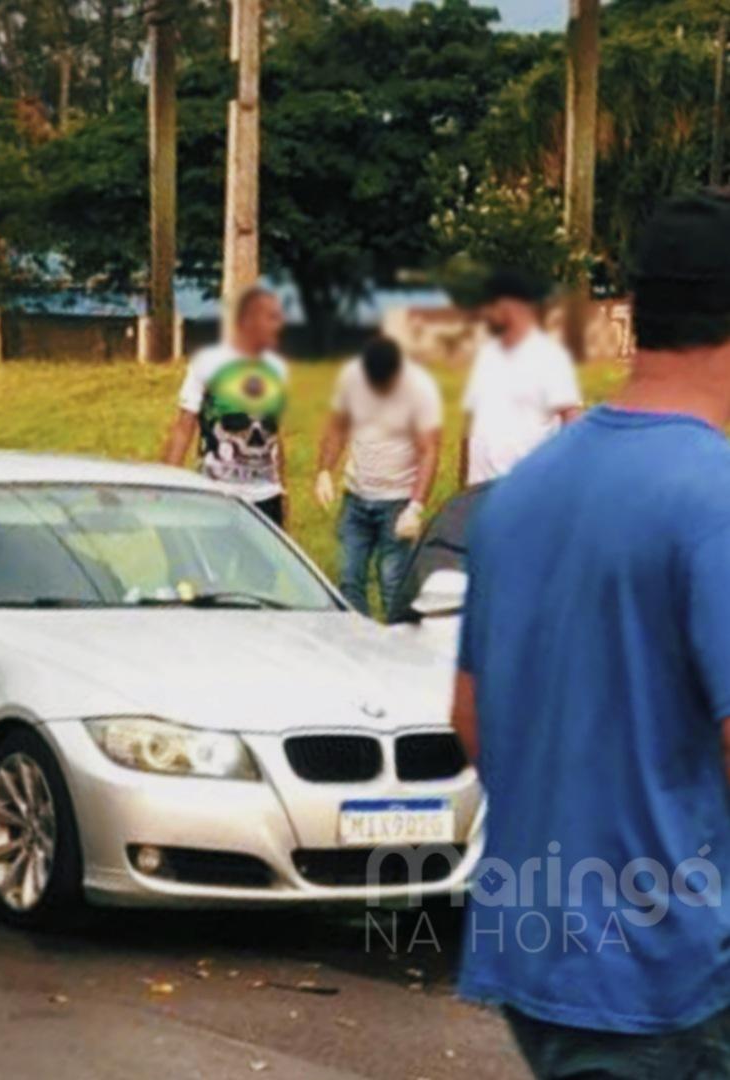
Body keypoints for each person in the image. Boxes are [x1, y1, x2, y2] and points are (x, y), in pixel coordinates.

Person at [452, 192, 730, 1077]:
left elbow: (470, 721)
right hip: (679, 980)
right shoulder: (714, 497)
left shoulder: (520, 493)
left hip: (543, 959)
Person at [313, 336, 442, 618]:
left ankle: (398, 649)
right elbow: (337, 428)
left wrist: (416, 507)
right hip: (355, 497)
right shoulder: (351, 379)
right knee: (348, 577)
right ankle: (359, 644)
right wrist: (324, 471)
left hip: (397, 502)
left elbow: (429, 451)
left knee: (392, 582)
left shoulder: (420, 390)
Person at [161, 286, 291, 526]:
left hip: (265, 496)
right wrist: (163, 484)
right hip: (217, 493)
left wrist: (282, 488)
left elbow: (275, 433)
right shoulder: (207, 364)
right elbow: (184, 427)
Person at [458, 268, 582, 488]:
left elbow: (572, 424)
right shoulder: (487, 355)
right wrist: (463, 483)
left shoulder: (549, 357)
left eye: (488, 306)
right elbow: (471, 421)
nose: (484, 314)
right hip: (479, 489)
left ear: (507, 305)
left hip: (524, 489)